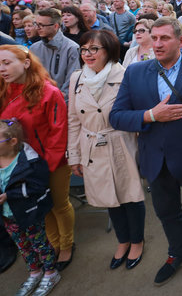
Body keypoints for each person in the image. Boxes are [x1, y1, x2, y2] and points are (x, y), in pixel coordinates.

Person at [109, 17, 182, 287]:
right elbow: (116, 117)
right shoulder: (135, 72)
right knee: (167, 212)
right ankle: (177, 251)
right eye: (153, 37)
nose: (157, 43)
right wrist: (150, 115)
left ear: (181, 41)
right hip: (154, 159)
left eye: (164, 38)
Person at [0, 44, 75, 271]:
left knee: (58, 204)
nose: (2, 69)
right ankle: (53, 243)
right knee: (39, 207)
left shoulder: (49, 92)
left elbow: (58, 132)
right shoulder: (1, 91)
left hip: (47, 162)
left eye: (7, 63)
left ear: (26, 63)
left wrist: (47, 165)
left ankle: (66, 244)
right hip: (17, 164)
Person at [67, 30, 146, 270]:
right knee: (109, 199)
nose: (87, 54)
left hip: (121, 141)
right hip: (91, 145)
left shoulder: (126, 75)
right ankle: (122, 241)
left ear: (109, 50)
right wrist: (74, 155)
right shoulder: (77, 78)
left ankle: (137, 242)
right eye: (84, 49)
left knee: (130, 195)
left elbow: (137, 114)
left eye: (94, 49)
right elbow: (73, 120)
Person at [0, 119, 61, 295]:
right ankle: (34, 272)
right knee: (23, 246)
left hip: (29, 214)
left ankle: (50, 272)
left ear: (12, 142)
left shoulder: (30, 162)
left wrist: (10, 195)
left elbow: (38, 185)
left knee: (40, 244)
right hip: (6, 216)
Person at [29, 8, 81, 101]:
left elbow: (71, 81)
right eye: (36, 24)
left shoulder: (72, 48)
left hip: (61, 102)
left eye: (42, 25)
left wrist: (57, 100)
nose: (37, 28)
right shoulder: (34, 48)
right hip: (37, 101)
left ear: (56, 26)